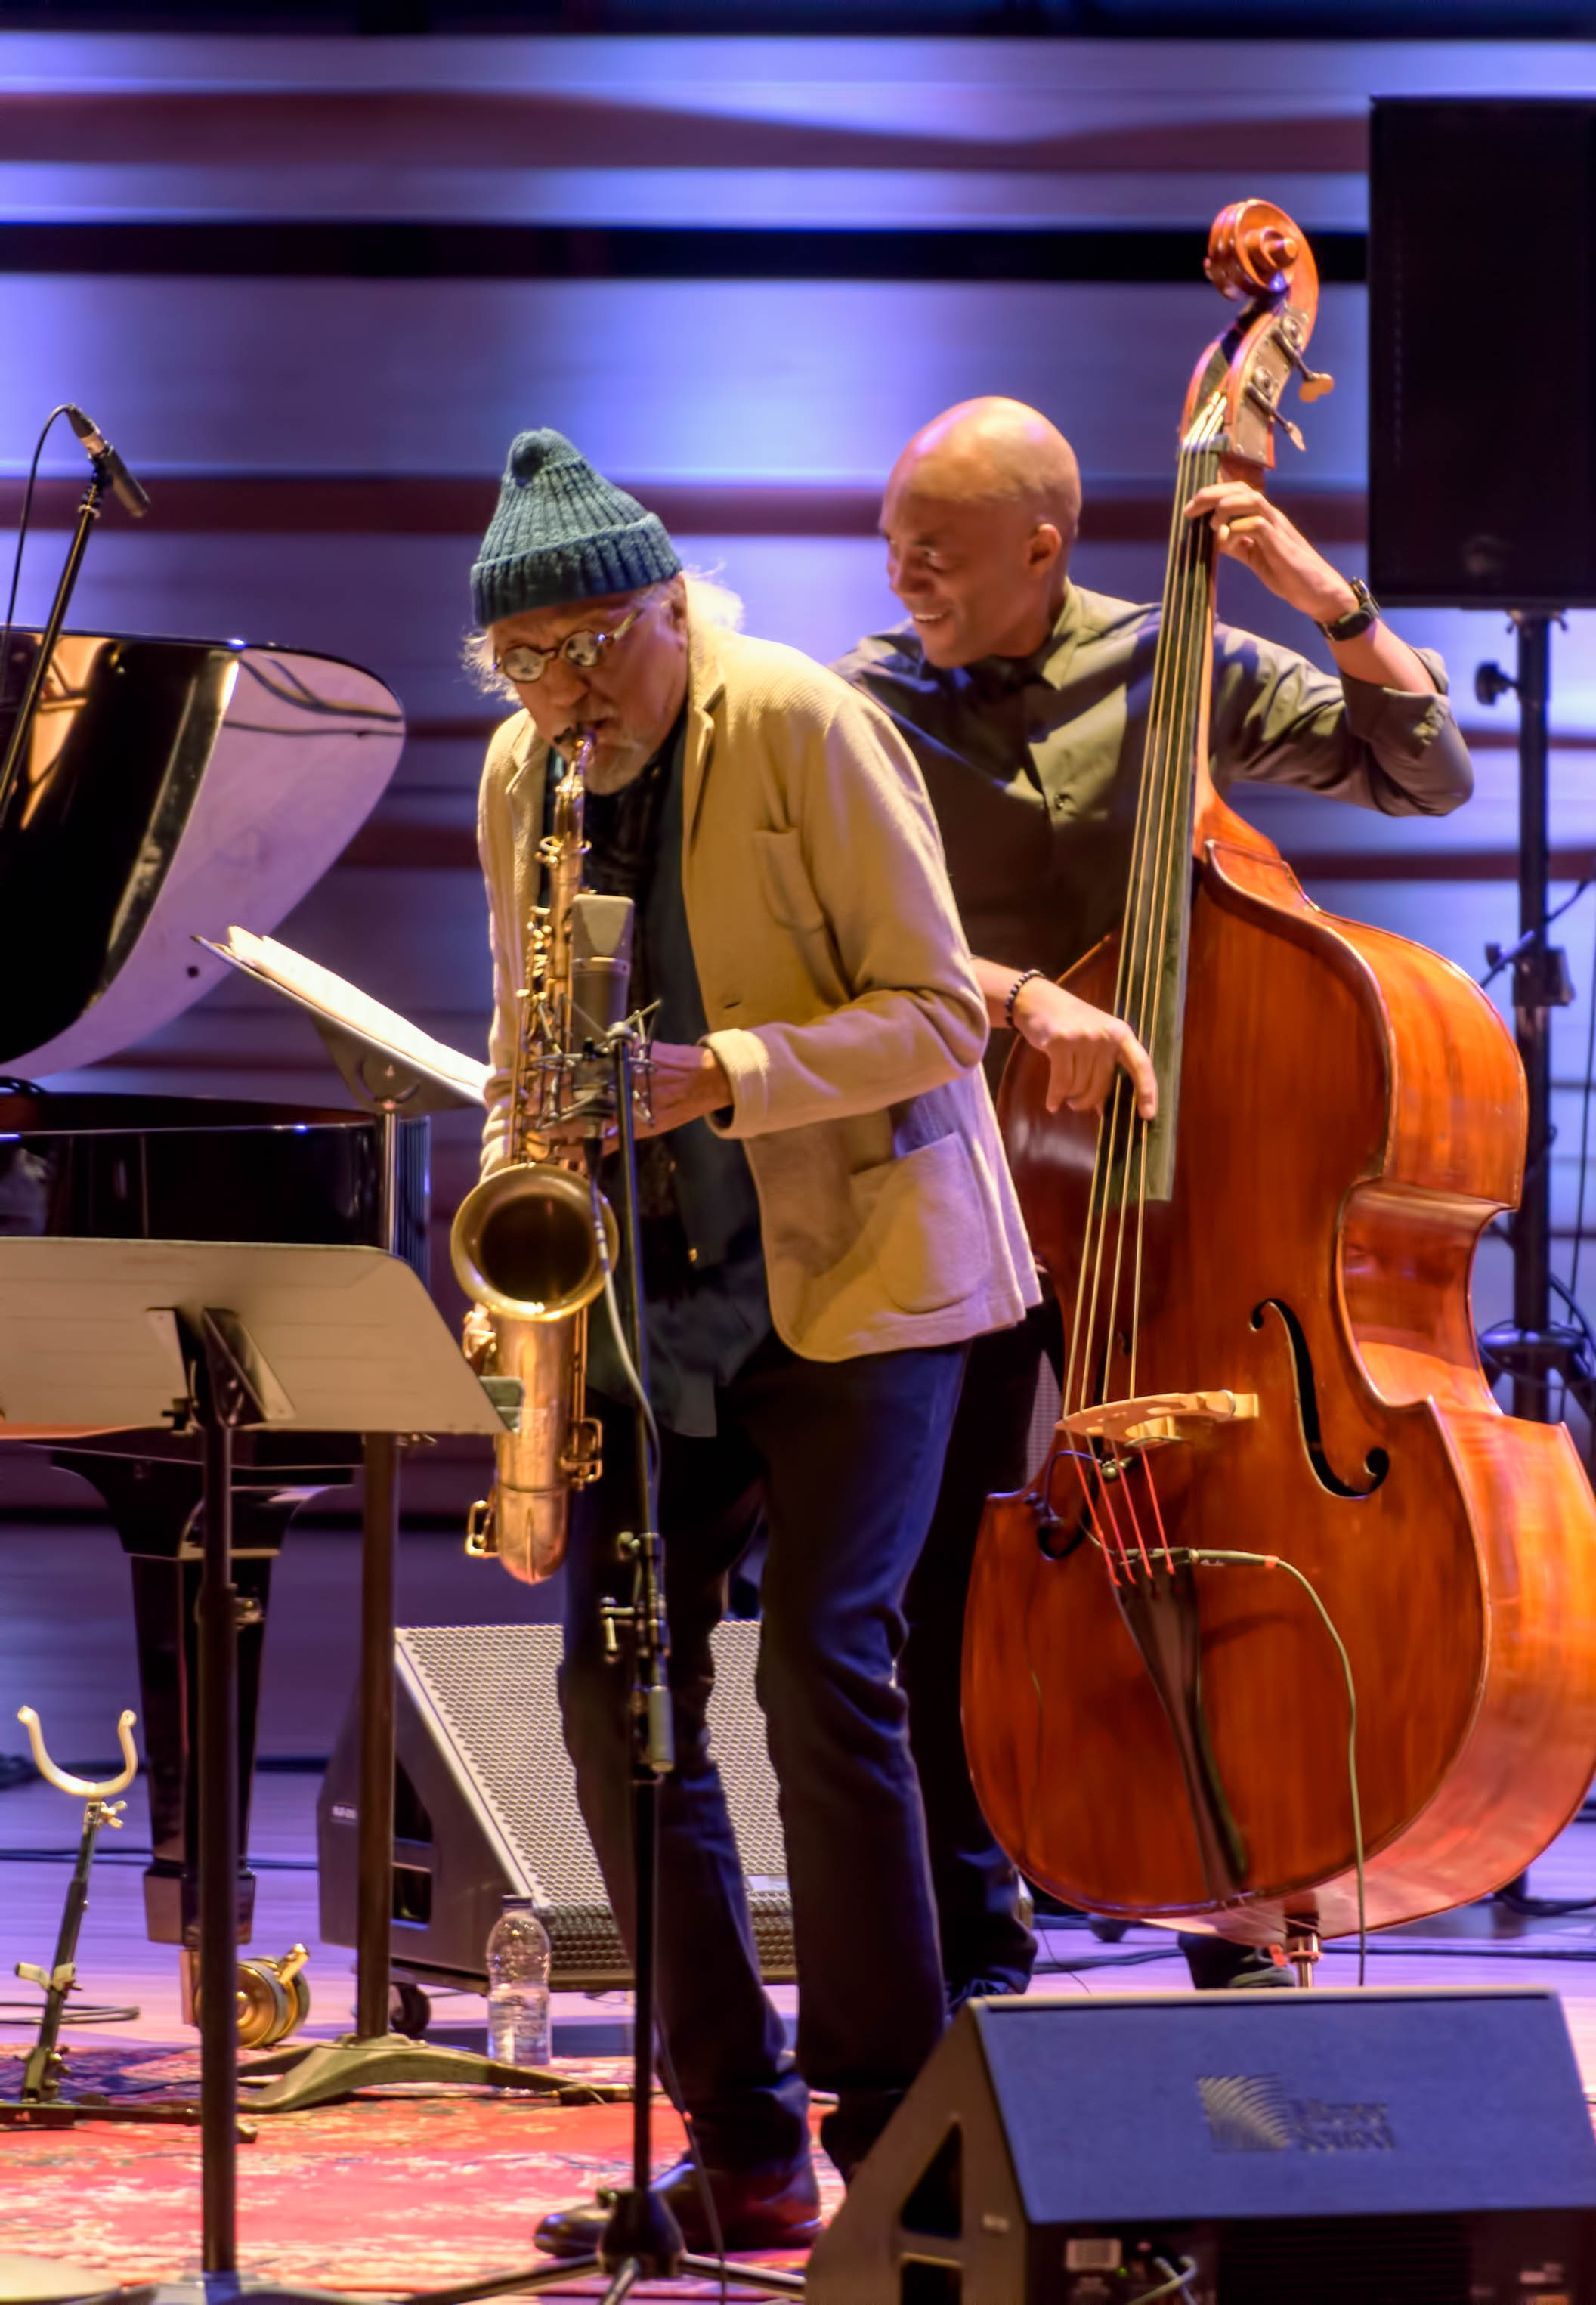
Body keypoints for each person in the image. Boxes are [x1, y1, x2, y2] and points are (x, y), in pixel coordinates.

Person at [462, 429, 1039, 2254]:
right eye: (521, 665)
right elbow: (521, 1037)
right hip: (648, 1297)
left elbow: (943, 1011)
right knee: (610, 1706)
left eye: (585, 651)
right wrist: (506, 1234)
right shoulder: (522, 770)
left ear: (661, 610)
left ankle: (900, 2129)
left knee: (823, 1676)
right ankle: (742, 2136)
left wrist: (733, 1076)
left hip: (858, 1280)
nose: (561, 697)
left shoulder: (797, 718)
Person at [834, 395, 1473, 2001]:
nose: (904, 569)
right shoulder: (856, 707)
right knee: (944, 1580)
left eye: (942, 546)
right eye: (897, 537)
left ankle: (1234, 1903)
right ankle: (970, 1953)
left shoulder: (1175, 664)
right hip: (965, 1185)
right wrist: (1011, 998)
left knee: (1216, 1542)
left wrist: (1333, 603)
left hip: (1185, 1211)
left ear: (1044, 546)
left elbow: (1426, 773)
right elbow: (846, 939)